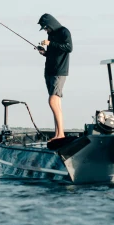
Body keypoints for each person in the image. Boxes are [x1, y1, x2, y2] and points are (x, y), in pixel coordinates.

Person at [37, 13, 73, 141]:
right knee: (56, 103)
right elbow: (54, 52)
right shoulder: (50, 35)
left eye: (46, 28)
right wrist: (44, 52)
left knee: (52, 101)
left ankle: (61, 134)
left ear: (50, 24)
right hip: (49, 71)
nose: (46, 31)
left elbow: (69, 48)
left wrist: (50, 43)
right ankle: (58, 134)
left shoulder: (64, 31)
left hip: (59, 71)